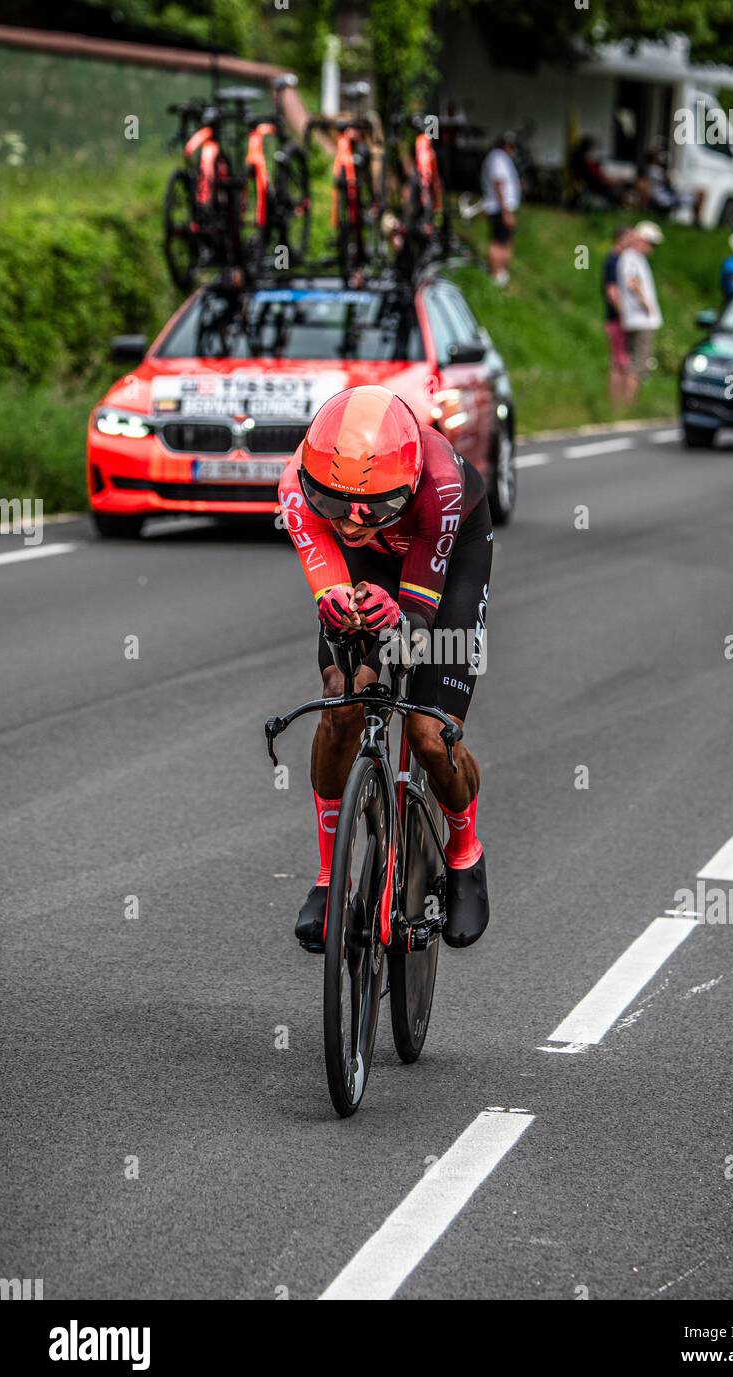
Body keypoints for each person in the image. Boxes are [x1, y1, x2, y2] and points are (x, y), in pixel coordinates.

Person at [278, 385, 493, 954]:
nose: (349, 523)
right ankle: (329, 879)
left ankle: (465, 853)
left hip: (445, 557)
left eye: (370, 508)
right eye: (332, 505)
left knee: (427, 732)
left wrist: (401, 620)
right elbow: (333, 572)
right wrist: (337, 601)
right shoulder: (297, 489)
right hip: (367, 565)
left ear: (407, 483)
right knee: (341, 699)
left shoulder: (441, 482)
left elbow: (420, 620)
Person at [617, 220, 664, 405]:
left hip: (636, 318)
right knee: (638, 364)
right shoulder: (631, 257)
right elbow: (632, 283)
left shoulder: (633, 257)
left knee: (634, 363)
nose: (652, 248)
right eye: (650, 243)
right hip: (641, 319)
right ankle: (629, 403)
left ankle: (626, 402)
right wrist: (646, 304)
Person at [480, 132, 521, 286]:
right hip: (499, 208)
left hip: (502, 207)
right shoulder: (497, 157)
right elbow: (498, 182)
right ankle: (496, 274)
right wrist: (505, 211)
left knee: (506, 240)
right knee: (499, 241)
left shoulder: (499, 158)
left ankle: (501, 274)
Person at [603, 226, 632, 405]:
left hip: (618, 318)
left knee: (622, 362)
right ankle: (616, 403)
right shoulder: (613, 262)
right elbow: (612, 291)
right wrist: (624, 315)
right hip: (617, 319)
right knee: (619, 362)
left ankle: (620, 404)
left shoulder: (619, 261)